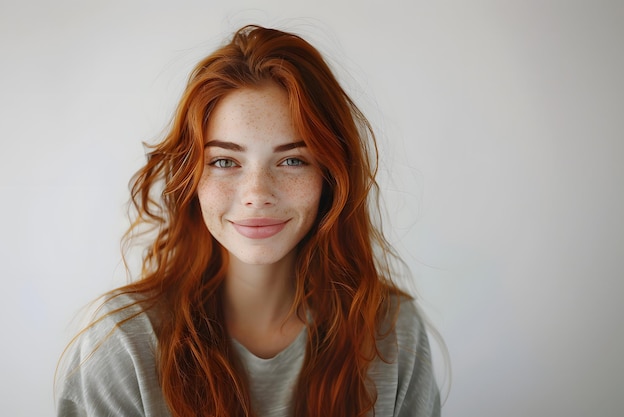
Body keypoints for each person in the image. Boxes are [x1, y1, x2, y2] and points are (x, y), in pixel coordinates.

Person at [55, 25, 441, 417]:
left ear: (331, 176)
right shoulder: (123, 343)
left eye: (292, 160)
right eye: (225, 161)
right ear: (190, 178)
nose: (257, 193)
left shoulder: (392, 333)